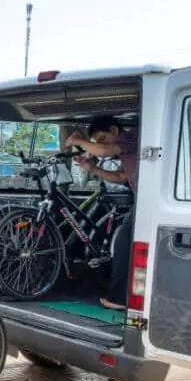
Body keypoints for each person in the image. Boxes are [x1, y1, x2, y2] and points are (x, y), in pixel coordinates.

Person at [66, 115, 138, 310]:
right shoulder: (125, 149)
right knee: (125, 244)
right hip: (141, 199)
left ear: (114, 131)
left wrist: (78, 140)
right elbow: (121, 176)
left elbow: (104, 150)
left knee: (123, 245)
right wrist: (92, 168)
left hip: (147, 199)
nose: (100, 145)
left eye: (102, 138)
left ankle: (120, 299)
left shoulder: (131, 138)